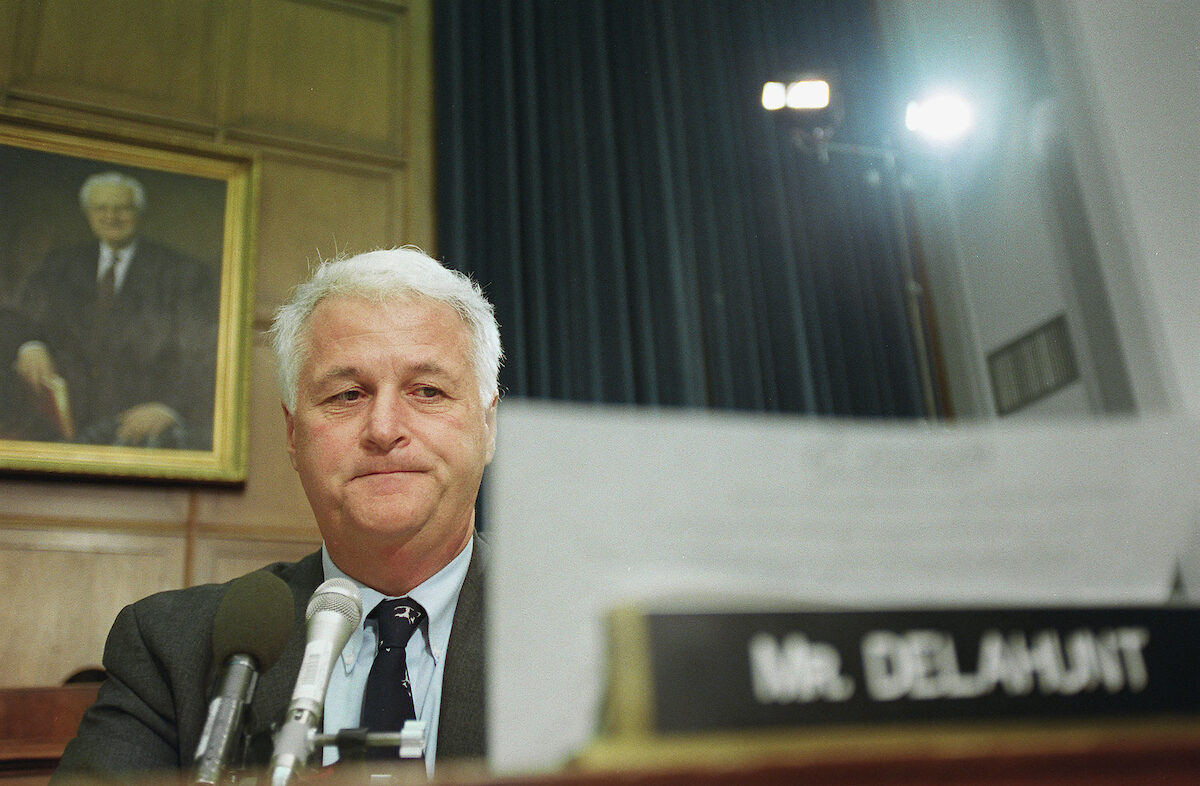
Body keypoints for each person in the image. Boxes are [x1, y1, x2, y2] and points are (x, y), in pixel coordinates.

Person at [52, 247, 502, 781]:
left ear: (487, 425)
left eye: (427, 391)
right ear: (293, 435)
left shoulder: (579, 634)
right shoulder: (173, 648)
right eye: (347, 394)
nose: (384, 428)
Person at [9, 171, 218, 448]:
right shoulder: (60, 265)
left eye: (122, 208)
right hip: (62, 426)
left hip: (138, 429)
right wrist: (29, 345)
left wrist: (169, 408)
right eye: (101, 208)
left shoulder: (182, 273)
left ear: (140, 214)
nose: (111, 216)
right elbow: (20, 315)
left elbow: (206, 353)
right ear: (88, 214)